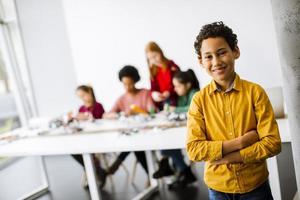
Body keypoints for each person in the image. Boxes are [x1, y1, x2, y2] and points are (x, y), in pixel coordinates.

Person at [186, 21, 281, 200]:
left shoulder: (255, 92)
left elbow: (272, 143)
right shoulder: (199, 100)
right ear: (201, 61)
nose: (216, 62)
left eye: (221, 53)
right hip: (218, 189)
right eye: (208, 56)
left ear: (235, 52)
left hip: (255, 187)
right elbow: (194, 149)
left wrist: (230, 157)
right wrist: (240, 142)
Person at [103, 65, 156, 178]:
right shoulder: (121, 99)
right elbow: (106, 115)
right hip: (133, 135)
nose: (127, 87)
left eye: (130, 83)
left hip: (148, 133)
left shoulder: (145, 93)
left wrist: (139, 112)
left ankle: (115, 166)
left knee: (134, 146)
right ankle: (152, 176)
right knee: (133, 145)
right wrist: (120, 114)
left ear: (135, 81)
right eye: (124, 84)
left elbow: (152, 111)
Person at [153, 69, 199, 189]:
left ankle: (169, 166)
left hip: (196, 132)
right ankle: (182, 171)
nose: (175, 89)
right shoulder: (182, 96)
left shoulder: (195, 93)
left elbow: (190, 109)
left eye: (178, 86)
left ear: (187, 84)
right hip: (184, 128)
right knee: (167, 138)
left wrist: (174, 110)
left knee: (170, 142)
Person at [71, 85, 107, 188]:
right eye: (80, 97)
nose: (82, 98)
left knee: (85, 150)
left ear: (89, 92)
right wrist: (76, 118)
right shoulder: (81, 108)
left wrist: (90, 118)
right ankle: (96, 170)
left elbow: (103, 122)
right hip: (85, 138)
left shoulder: (98, 106)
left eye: (83, 95)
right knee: (74, 150)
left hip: (98, 137)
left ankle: (93, 171)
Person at [145, 41, 180, 110]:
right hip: (161, 101)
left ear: (160, 52)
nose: (154, 60)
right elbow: (153, 88)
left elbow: (180, 84)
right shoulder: (153, 70)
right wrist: (154, 94)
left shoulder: (172, 67)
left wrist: (169, 92)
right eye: (150, 59)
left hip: (174, 98)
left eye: (155, 56)